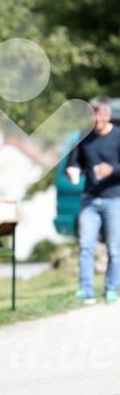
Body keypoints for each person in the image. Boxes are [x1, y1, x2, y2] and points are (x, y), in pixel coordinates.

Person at [66, 95, 120, 305]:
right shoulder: (83, 136)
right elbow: (75, 164)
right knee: (86, 245)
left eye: (101, 114)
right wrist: (73, 171)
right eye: (94, 115)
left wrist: (112, 169)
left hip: (114, 199)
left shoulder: (117, 135)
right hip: (89, 199)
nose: (97, 119)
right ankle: (86, 290)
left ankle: (110, 289)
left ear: (108, 115)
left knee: (114, 248)